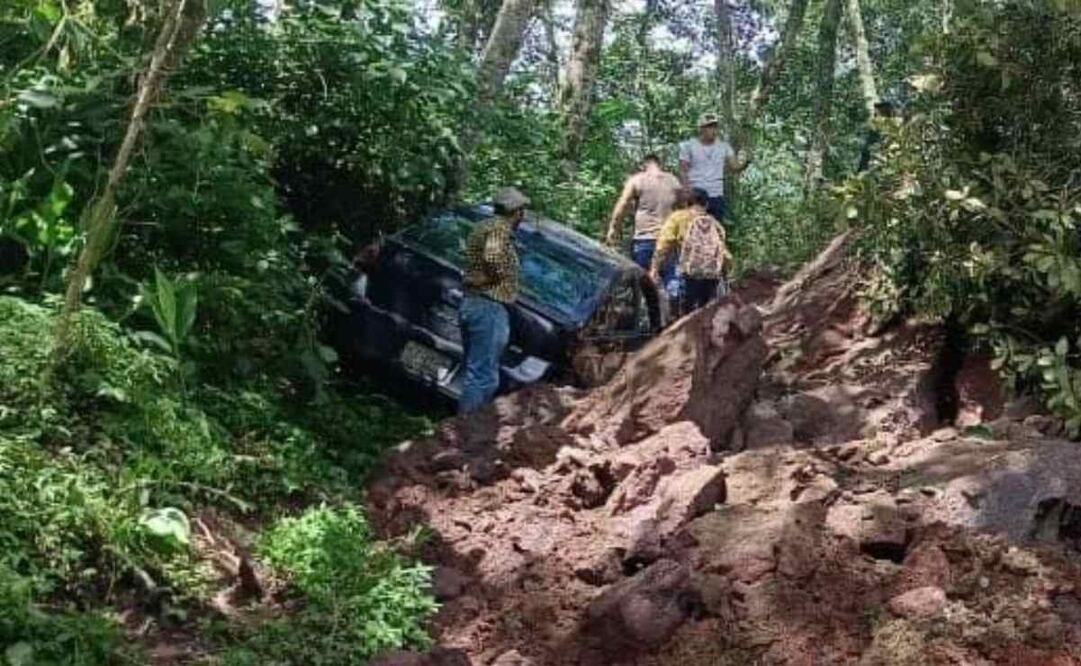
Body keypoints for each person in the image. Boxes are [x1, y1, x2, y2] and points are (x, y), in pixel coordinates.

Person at [458, 186, 529, 414]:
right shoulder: (500, 229)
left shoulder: (483, 226)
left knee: (474, 372)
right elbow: (493, 257)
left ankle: (462, 428)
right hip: (489, 305)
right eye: (522, 210)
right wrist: (504, 278)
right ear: (516, 211)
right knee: (483, 377)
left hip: (471, 302)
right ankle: (468, 431)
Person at [651, 188, 731, 315]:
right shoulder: (715, 224)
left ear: (687, 202)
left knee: (686, 316)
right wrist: (725, 277)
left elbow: (663, 246)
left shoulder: (677, 218)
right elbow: (724, 254)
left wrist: (654, 269)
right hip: (711, 276)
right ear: (707, 204)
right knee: (707, 314)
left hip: (688, 273)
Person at [605, 154, 682, 273]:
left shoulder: (638, 179)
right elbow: (683, 207)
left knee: (642, 285)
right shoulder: (673, 181)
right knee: (669, 285)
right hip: (668, 239)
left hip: (645, 238)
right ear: (660, 164)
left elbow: (623, 204)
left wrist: (613, 228)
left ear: (644, 165)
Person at [679, 113, 750, 223]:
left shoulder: (724, 146)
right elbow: (683, 170)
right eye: (709, 127)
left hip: (716, 195)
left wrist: (746, 162)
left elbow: (735, 166)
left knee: (715, 229)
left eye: (715, 126)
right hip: (696, 194)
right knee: (693, 229)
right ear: (701, 129)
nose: (713, 130)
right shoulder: (689, 146)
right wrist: (686, 192)